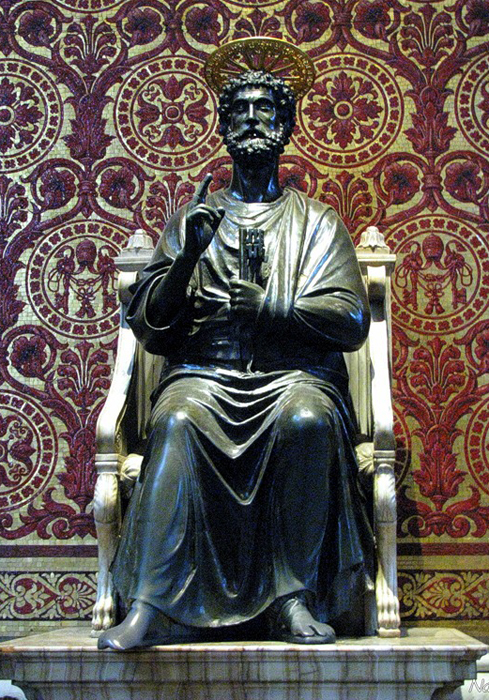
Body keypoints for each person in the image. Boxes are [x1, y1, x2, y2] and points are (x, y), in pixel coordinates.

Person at [98, 68, 373, 651]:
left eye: (264, 109)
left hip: (295, 376)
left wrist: (272, 308)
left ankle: (293, 599)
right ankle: (150, 604)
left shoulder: (318, 223)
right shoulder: (193, 218)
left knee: (307, 420)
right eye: (239, 110)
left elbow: (350, 320)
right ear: (223, 126)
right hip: (205, 375)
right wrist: (187, 257)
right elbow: (149, 326)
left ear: (285, 126)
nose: (251, 119)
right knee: (177, 421)